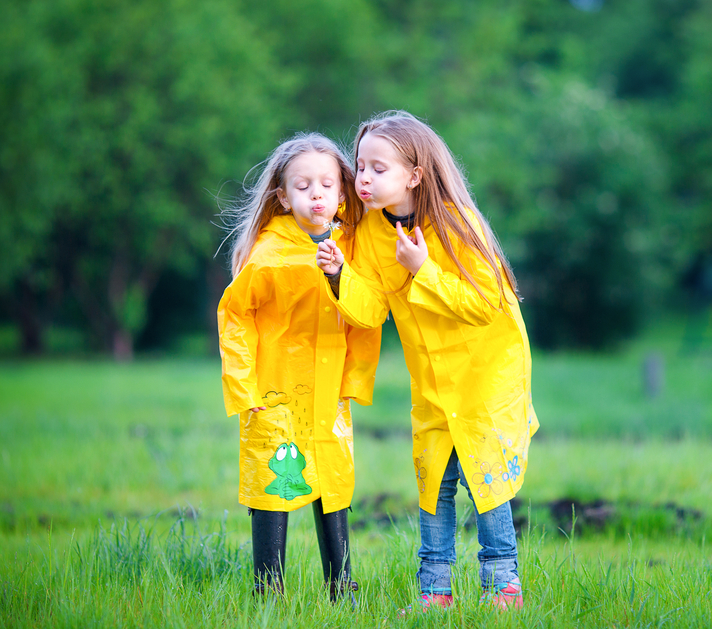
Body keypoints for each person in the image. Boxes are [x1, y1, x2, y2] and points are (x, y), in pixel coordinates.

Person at [316, 111, 538, 612]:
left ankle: (503, 588)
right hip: (432, 383)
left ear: (415, 174)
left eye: (378, 168)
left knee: (488, 482)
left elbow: (485, 305)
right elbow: (371, 309)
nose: (364, 179)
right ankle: (434, 593)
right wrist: (338, 277)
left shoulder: (457, 222)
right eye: (361, 166)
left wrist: (424, 270)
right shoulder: (371, 232)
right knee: (434, 485)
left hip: (485, 378)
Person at [218, 133, 380, 602]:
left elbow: (368, 317)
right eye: (303, 185)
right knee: (275, 484)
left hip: (328, 396)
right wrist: (246, 391)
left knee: (333, 484)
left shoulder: (352, 247)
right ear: (283, 196)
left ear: (342, 192)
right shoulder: (269, 253)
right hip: (275, 394)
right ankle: (268, 592)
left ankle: (342, 588)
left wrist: (338, 276)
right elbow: (235, 317)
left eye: (327, 184)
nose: (317, 194)